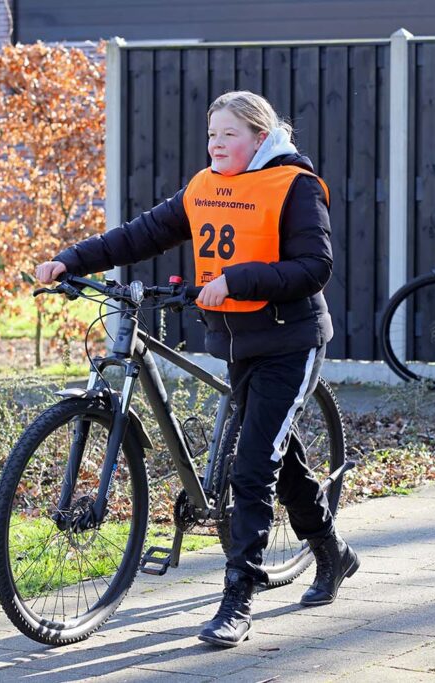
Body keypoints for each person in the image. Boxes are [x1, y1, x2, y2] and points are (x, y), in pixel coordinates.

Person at [35, 90, 359, 647]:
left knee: (251, 467)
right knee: (277, 462)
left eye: (228, 135)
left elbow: (315, 266)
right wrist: (73, 258)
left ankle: (238, 599)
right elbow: (141, 234)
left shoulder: (295, 187)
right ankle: (333, 554)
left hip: (292, 342)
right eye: (211, 135)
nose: (216, 144)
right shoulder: (205, 186)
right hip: (237, 344)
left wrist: (239, 279)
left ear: (260, 138)